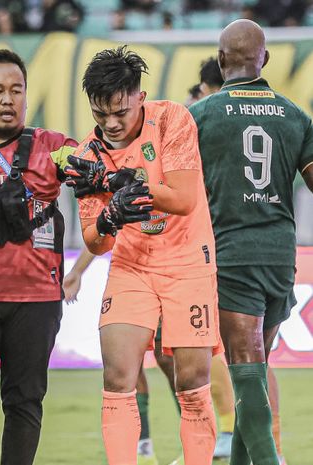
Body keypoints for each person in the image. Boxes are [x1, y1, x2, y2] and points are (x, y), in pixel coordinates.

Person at [70, 45, 221, 465]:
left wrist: (118, 180)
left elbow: (184, 199)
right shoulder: (87, 155)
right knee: (118, 377)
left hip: (188, 262)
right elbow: (94, 242)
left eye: (120, 111)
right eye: (101, 114)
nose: (111, 123)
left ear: (139, 95)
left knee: (191, 381)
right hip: (132, 267)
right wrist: (107, 220)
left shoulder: (172, 117)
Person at [190, 19, 313, 465]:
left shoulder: (200, 116)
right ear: (265, 60)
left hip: (232, 253)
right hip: (281, 257)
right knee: (255, 370)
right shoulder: (296, 116)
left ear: (221, 61)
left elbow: (175, 190)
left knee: (245, 368)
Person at [0, 49, 79, 465]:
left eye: (16, 90)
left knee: (25, 402)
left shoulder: (54, 147)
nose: (8, 100)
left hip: (38, 301)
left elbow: (95, 168)